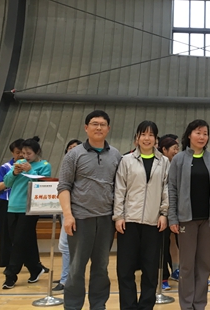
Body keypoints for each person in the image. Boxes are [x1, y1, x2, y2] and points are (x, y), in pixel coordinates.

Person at [58, 110, 122, 310]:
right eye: (94, 124)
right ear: (86, 128)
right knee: (76, 267)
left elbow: (120, 187)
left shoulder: (116, 155)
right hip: (80, 219)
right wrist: (68, 215)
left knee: (101, 267)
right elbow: (63, 186)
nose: (99, 127)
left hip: (106, 219)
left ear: (108, 128)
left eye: (103, 124)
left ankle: (98, 305)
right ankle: (73, 306)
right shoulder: (74, 155)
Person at [168, 119, 210, 310]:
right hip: (186, 220)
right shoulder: (179, 159)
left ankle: (199, 304)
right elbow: (172, 189)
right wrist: (173, 217)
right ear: (189, 135)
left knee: (204, 264)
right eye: (198, 133)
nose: (202, 137)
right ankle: (186, 305)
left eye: (205, 133)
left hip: (208, 220)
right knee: (186, 266)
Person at [114, 120, 170, 310]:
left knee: (150, 269)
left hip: (154, 223)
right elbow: (119, 190)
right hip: (128, 221)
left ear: (156, 139)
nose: (147, 138)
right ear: (136, 138)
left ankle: (146, 306)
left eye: (151, 135)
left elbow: (167, 190)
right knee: (125, 269)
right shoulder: (126, 160)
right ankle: (128, 306)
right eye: (143, 134)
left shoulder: (164, 162)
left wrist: (164, 213)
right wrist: (119, 216)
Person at [2, 137, 52, 289]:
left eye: (29, 153)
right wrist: (14, 173)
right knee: (24, 240)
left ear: (37, 152)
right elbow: (7, 183)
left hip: (30, 208)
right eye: (23, 153)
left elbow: (42, 185)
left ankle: (11, 274)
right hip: (13, 206)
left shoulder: (44, 165)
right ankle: (35, 268)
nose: (25, 156)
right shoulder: (18, 163)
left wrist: (30, 170)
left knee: (19, 241)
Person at [53, 139, 82, 292]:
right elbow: (63, 187)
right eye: (69, 148)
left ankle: (66, 279)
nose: (72, 150)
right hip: (67, 210)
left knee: (66, 245)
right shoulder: (66, 166)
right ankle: (66, 276)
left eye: (75, 148)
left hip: (80, 210)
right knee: (64, 245)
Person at [0, 138, 24, 269]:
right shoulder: (5, 167)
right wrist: (11, 177)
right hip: (6, 203)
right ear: (12, 153)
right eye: (17, 152)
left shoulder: (30, 167)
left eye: (23, 152)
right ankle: (7, 262)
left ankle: (30, 263)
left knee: (23, 235)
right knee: (5, 234)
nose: (21, 155)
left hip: (22, 204)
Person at [158, 135, 180, 290]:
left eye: (178, 148)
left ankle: (180, 272)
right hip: (163, 212)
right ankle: (163, 276)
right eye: (174, 148)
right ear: (164, 150)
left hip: (179, 212)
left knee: (182, 244)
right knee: (163, 245)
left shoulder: (179, 165)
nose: (177, 151)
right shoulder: (159, 166)